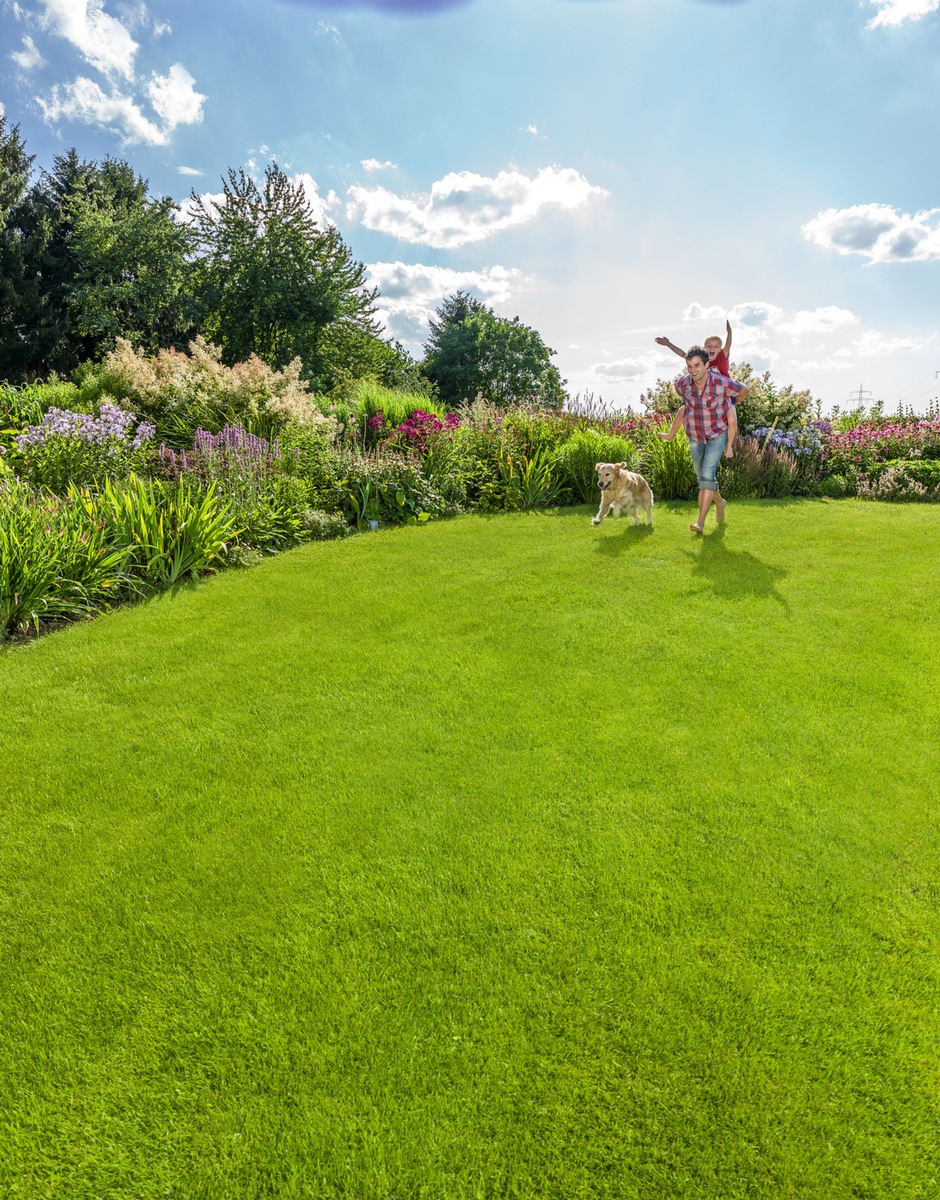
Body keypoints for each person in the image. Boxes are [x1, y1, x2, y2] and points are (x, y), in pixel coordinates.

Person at [659, 346, 748, 534]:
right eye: (689, 366)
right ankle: (720, 502)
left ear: (707, 364)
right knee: (703, 478)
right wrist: (671, 433)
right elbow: (684, 408)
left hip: (717, 433)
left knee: (707, 476)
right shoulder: (682, 384)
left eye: (697, 365)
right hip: (695, 435)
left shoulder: (721, 383)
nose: (693, 370)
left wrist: (730, 404)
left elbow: (744, 390)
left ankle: (700, 522)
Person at [656, 319, 733, 374]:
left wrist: (729, 332)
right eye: (709, 346)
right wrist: (668, 344)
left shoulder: (722, 356)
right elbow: (683, 354)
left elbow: (728, 345)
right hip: (709, 392)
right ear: (704, 348)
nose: (712, 348)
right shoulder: (701, 359)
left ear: (720, 349)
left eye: (716, 346)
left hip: (724, 387)